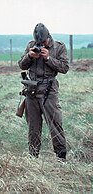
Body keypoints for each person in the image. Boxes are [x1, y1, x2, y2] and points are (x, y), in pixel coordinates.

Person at [18, 23, 69, 161]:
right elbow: (21, 65)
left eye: (43, 42)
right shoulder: (31, 45)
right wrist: (29, 56)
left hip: (49, 90)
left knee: (55, 123)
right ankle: (33, 156)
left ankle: (61, 157)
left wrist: (48, 58)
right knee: (33, 126)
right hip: (32, 90)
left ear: (48, 36)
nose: (41, 45)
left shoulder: (59, 47)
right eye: (39, 43)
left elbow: (65, 68)